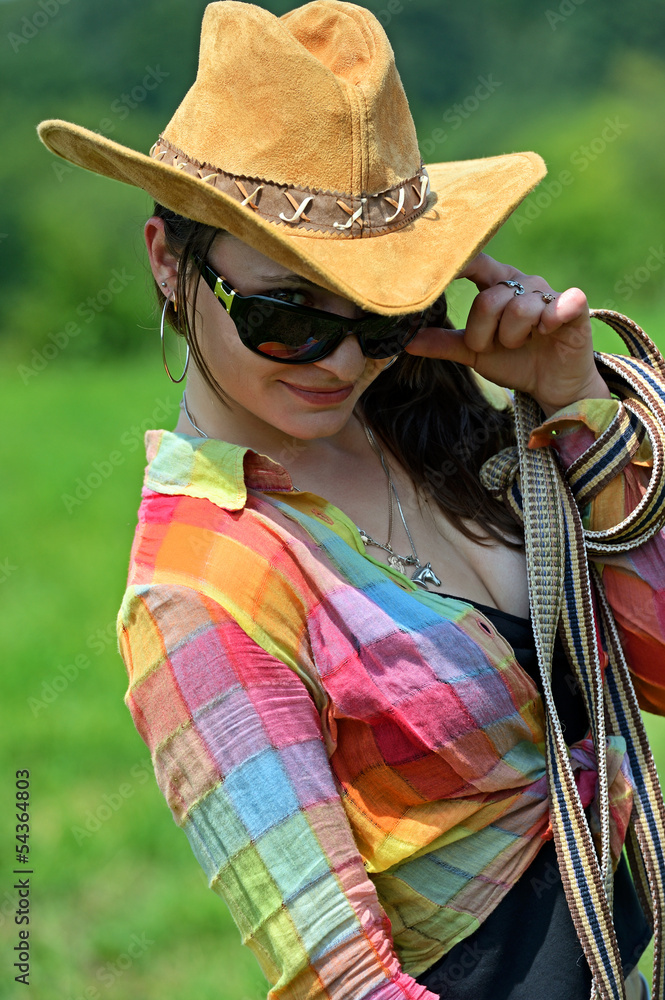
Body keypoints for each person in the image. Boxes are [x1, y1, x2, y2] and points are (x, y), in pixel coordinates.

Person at [37, 2, 665, 998]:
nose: (338, 362)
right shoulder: (199, 590)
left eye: (378, 311)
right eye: (286, 313)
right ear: (169, 261)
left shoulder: (432, 411)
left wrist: (567, 401)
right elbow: (345, 980)